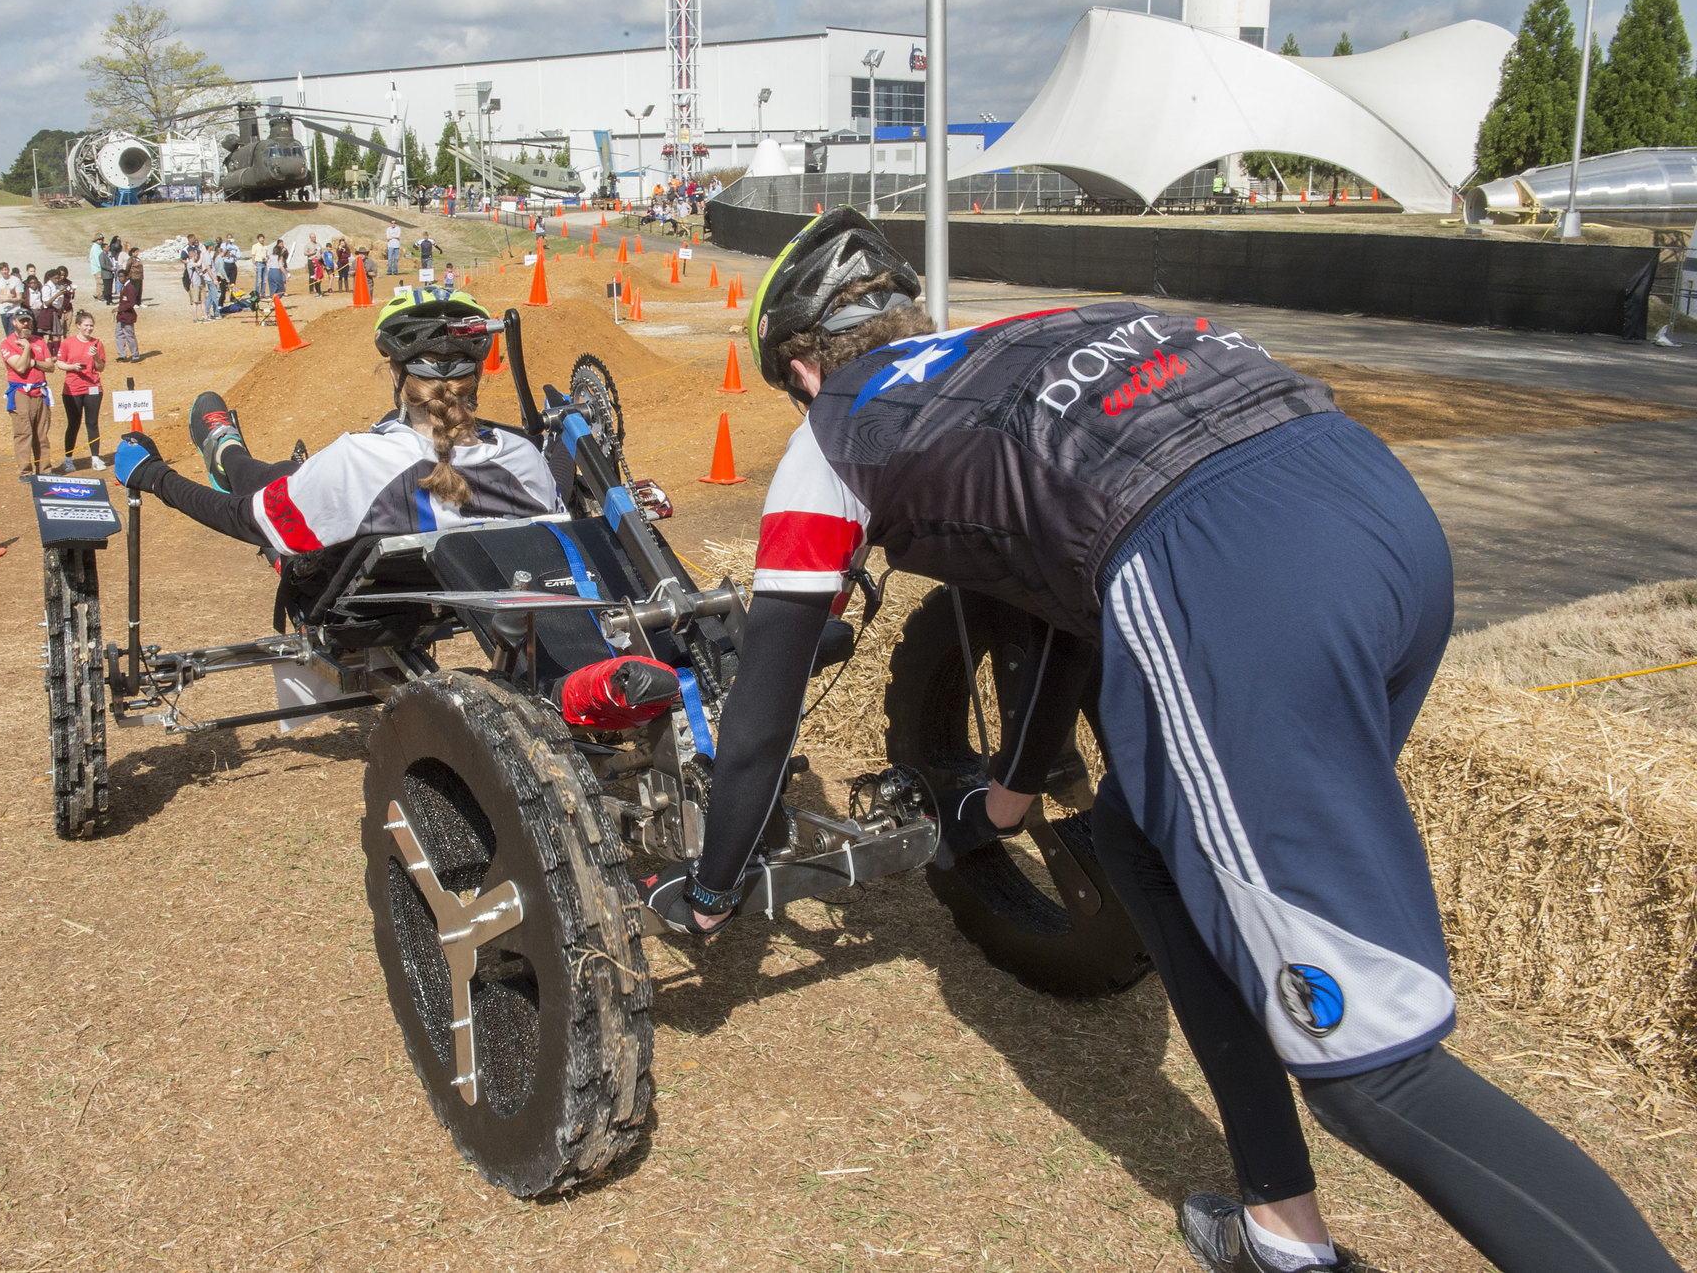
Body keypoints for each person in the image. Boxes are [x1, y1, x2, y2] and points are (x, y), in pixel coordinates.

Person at [646, 209, 1687, 1273]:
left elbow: (762, 709)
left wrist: (714, 885)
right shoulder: (1037, 331)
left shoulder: (832, 436)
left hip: (1227, 567)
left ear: (801, 368)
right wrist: (1008, 793)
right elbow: (1057, 609)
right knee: (1139, 838)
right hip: (1376, 508)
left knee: (1371, 1069)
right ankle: (1279, 1228)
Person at [111, 288, 562, 564]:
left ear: (396, 376)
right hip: (478, 609)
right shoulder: (523, 458)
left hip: (344, 590)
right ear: (478, 373)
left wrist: (153, 475)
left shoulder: (361, 461)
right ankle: (264, 465)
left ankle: (227, 453)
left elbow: (242, 519)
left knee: (278, 480)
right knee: (303, 475)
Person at [1, 310, 55, 477]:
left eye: (28, 321)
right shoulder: (7, 343)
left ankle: (45, 469)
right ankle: (25, 472)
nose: (26, 324)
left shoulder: (39, 341)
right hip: (21, 392)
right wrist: (27, 349)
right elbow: (20, 367)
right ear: (14, 322)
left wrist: (32, 361)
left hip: (40, 391)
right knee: (24, 433)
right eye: (22, 321)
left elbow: (50, 366)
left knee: (41, 433)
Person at [56, 311, 107, 472]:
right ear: (78, 325)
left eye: (91, 325)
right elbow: (59, 363)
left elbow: (101, 367)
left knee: (92, 423)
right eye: (86, 325)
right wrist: (72, 367)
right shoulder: (68, 343)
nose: (89, 328)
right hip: (72, 388)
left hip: (93, 387)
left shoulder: (97, 343)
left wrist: (96, 357)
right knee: (73, 423)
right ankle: (68, 459)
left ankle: (95, 458)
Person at [0, 261, 22, 335]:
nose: (4, 272)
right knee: (7, 333)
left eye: (6, 269)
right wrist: (2, 299)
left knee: (12, 333)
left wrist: (7, 299)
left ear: (8, 270)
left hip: (14, 310)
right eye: (2, 270)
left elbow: (19, 298)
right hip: (3, 311)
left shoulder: (16, 280)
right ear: (0, 271)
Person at [114, 294, 139, 362]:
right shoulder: (125, 288)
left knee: (129, 336)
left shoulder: (129, 289)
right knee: (119, 334)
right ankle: (122, 355)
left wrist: (119, 309)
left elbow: (131, 303)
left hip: (127, 317)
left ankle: (135, 355)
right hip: (121, 316)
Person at [88, 236, 107, 301]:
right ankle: (100, 296)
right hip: (98, 268)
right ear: (96, 240)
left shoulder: (98, 247)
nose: (101, 241)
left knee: (99, 283)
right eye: (99, 239)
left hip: (97, 268)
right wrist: (101, 266)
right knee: (100, 283)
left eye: (102, 239)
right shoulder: (96, 248)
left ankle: (96, 294)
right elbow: (97, 259)